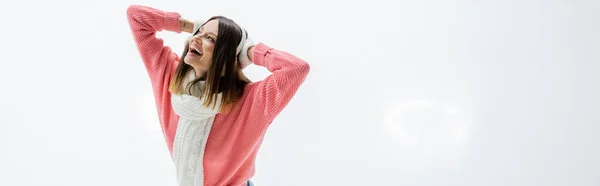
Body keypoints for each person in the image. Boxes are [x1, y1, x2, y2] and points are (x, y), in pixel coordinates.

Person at [126, 4, 310, 186]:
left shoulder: (253, 101)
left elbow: (296, 69)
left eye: (211, 39)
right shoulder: (169, 79)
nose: (195, 39)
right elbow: (136, 17)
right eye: (198, 32)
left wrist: (249, 52)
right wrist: (190, 26)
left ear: (227, 58)